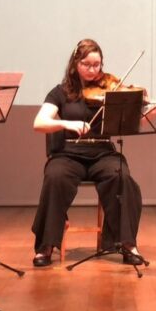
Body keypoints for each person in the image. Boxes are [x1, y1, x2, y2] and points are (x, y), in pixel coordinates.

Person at [30, 39, 145, 267]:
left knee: (121, 176)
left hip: (102, 154)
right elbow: (39, 122)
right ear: (75, 64)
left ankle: (128, 244)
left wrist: (148, 113)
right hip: (68, 154)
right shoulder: (60, 93)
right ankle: (46, 245)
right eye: (87, 64)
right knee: (55, 177)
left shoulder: (109, 92)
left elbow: (131, 121)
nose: (93, 70)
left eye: (97, 65)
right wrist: (65, 124)